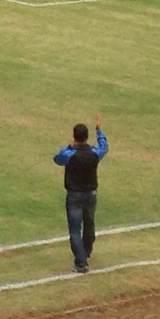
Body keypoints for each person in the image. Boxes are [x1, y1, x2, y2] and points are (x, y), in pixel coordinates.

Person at [53, 114, 108, 274]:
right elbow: (103, 147)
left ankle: (81, 261)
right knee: (89, 225)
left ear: (74, 136)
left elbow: (57, 158)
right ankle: (86, 252)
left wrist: (69, 147)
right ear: (87, 137)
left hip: (74, 196)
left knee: (75, 230)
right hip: (91, 194)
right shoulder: (94, 153)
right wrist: (99, 131)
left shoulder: (70, 154)